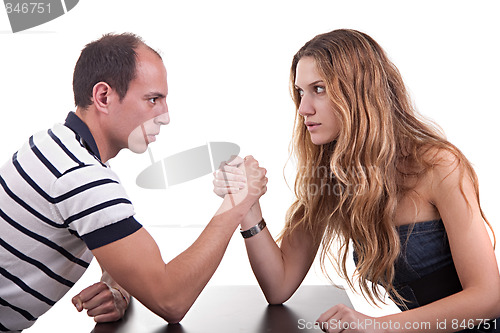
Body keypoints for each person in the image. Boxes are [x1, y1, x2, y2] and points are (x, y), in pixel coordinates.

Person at [214, 29, 500, 332]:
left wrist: (377, 326)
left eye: (319, 89)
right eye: (300, 92)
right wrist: (247, 206)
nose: (303, 108)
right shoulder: (333, 176)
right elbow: (279, 285)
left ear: (359, 92)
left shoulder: (438, 165)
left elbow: (489, 298)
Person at [0, 33, 267, 332]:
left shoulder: (51, 144)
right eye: (153, 99)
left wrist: (117, 289)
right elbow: (171, 300)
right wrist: (238, 202)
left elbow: (112, 244)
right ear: (103, 97)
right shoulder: (82, 178)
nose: (165, 116)